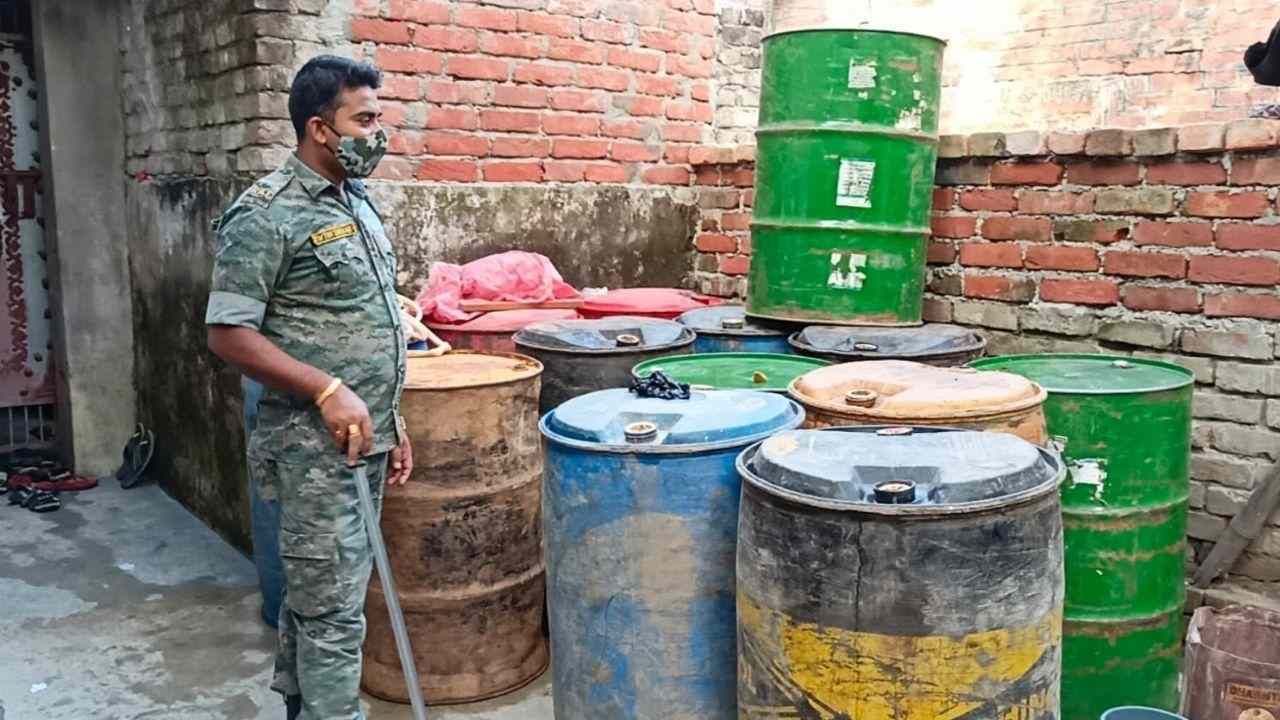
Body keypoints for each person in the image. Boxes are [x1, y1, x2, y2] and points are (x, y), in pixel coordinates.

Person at [205, 55, 412, 720]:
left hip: (362, 439)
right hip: (312, 449)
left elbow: (370, 322)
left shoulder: (356, 203)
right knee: (331, 611)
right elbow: (228, 333)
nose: (379, 132)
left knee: (328, 594)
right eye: (366, 119)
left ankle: (303, 708)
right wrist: (326, 389)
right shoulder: (266, 214)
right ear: (321, 130)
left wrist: (393, 422)